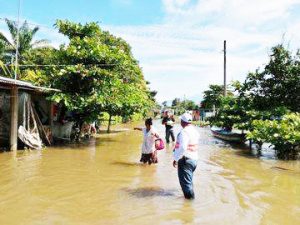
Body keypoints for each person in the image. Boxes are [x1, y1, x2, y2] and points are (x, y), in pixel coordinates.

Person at [173, 112, 199, 199]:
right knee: (189, 182)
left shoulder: (184, 132)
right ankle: (190, 200)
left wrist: (176, 159)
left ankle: (190, 204)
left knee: (186, 186)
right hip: (194, 160)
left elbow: (183, 147)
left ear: (182, 122)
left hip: (185, 161)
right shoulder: (194, 130)